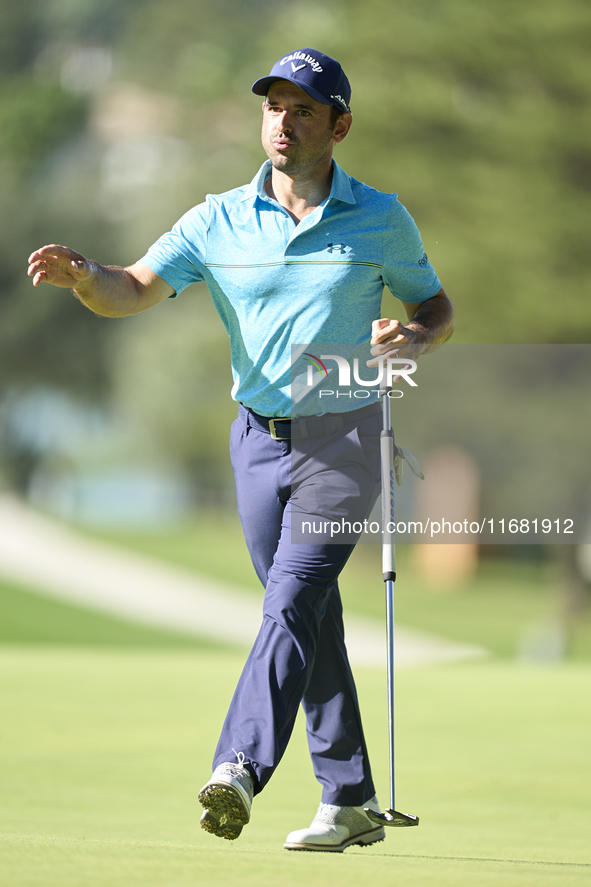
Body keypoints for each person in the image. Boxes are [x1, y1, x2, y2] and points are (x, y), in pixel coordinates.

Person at [28, 48, 454, 852]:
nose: (283, 122)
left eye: (302, 108)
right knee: (306, 618)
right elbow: (133, 288)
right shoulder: (215, 217)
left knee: (291, 598)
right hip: (257, 441)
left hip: (345, 439)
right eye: (273, 107)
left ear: (340, 125)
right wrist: (86, 276)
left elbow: (434, 304)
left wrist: (415, 336)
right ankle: (352, 796)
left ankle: (239, 766)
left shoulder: (379, 217)